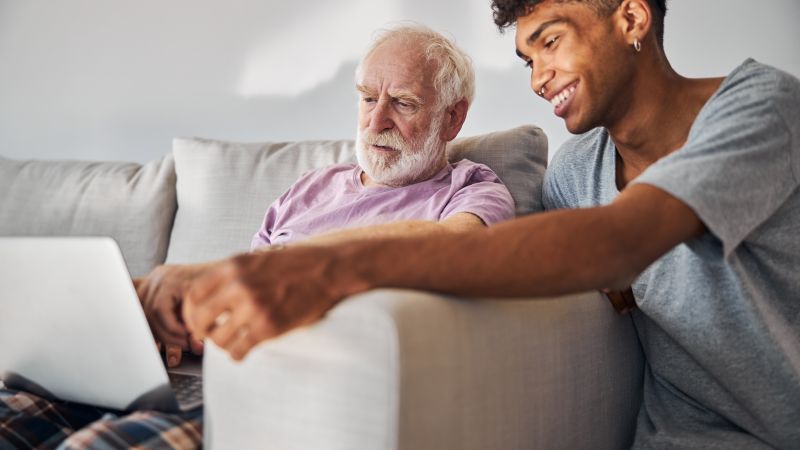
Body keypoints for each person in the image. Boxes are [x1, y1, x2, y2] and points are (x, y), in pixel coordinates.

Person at [143, 1, 800, 448]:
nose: (539, 77)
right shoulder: (575, 171)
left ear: (631, 16)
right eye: (526, 58)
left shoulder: (760, 106)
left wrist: (322, 264)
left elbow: (621, 242)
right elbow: (521, 261)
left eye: (550, 40)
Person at [0, 25, 515, 449]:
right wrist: (182, 326)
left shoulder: (470, 189)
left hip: (287, 387)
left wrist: (273, 268)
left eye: (402, 103)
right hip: (213, 367)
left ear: (453, 117)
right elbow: (245, 290)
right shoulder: (312, 188)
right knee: (14, 412)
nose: (375, 120)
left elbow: (461, 248)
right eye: (366, 98)